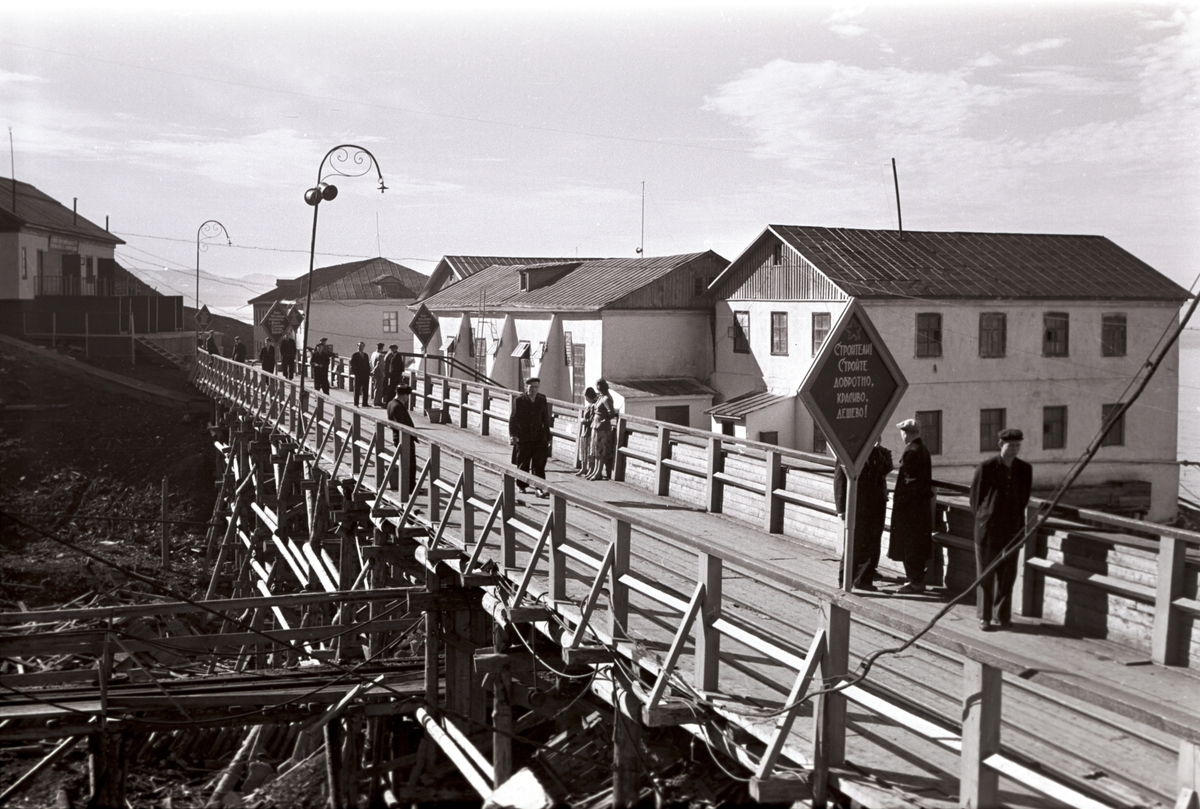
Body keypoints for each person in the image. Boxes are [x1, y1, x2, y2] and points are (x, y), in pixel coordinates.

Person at [970, 428, 1033, 631]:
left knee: (1008, 576)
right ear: (1000, 445)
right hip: (988, 531)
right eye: (1010, 445)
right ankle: (985, 617)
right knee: (986, 576)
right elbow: (975, 500)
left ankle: (1002, 615)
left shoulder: (1024, 469)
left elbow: (1023, 499)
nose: (1014, 449)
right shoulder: (986, 468)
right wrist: (985, 520)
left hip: (1012, 531)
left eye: (1017, 446)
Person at [834, 441, 893, 591]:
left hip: (876, 506)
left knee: (873, 543)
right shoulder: (848, 453)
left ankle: (864, 579)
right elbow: (840, 480)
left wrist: (878, 450)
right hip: (856, 506)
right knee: (853, 543)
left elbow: (886, 469)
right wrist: (841, 509)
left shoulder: (879, 453)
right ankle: (845, 580)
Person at [888, 418, 934, 594]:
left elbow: (907, 483)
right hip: (920, 506)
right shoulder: (923, 450)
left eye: (902, 432)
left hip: (909, 509)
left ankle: (915, 582)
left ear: (905, 433)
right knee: (917, 543)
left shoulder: (911, 452)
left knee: (909, 544)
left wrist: (899, 504)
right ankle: (916, 579)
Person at [508, 376, 552, 497]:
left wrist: (548, 438)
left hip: (539, 437)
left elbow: (545, 419)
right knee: (523, 463)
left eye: (536, 387)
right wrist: (513, 435)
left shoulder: (542, 399)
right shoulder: (519, 400)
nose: (533, 389)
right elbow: (513, 418)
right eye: (531, 387)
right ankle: (522, 486)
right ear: (526, 387)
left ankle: (540, 488)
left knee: (539, 465)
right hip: (524, 438)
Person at [386, 383, 420, 486]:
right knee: (410, 464)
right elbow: (401, 425)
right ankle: (410, 486)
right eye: (407, 395)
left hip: (399, 438)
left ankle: (408, 485)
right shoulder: (397, 406)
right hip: (404, 439)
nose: (407, 398)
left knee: (406, 462)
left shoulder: (391, 403)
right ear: (404, 395)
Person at [587, 378, 617, 481]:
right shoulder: (602, 397)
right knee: (596, 450)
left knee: (601, 451)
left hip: (602, 428)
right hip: (596, 426)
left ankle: (599, 472)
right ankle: (595, 470)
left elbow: (611, 413)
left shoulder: (607, 399)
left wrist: (604, 419)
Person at [575, 387, 598, 478]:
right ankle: (583, 468)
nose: (585, 398)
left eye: (585, 396)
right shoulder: (589, 405)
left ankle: (590, 469)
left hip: (588, 432)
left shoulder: (593, 406)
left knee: (589, 452)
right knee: (583, 451)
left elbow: (591, 420)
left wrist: (583, 420)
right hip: (584, 432)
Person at [350, 341, 372, 408]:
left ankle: (365, 403)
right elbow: (352, 365)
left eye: (362, 346)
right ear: (357, 346)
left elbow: (367, 365)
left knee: (365, 389)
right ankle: (356, 403)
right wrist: (355, 372)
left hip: (365, 374)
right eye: (359, 346)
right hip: (358, 374)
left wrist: (368, 372)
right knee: (357, 389)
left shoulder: (365, 355)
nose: (361, 347)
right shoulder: (355, 355)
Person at [370, 342, 386, 407]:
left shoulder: (373, 354)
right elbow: (378, 365)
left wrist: (372, 370)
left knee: (375, 387)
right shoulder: (380, 355)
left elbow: (370, 362)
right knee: (379, 387)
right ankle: (377, 401)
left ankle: (375, 400)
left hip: (374, 373)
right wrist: (382, 372)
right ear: (382, 348)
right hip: (379, 373)